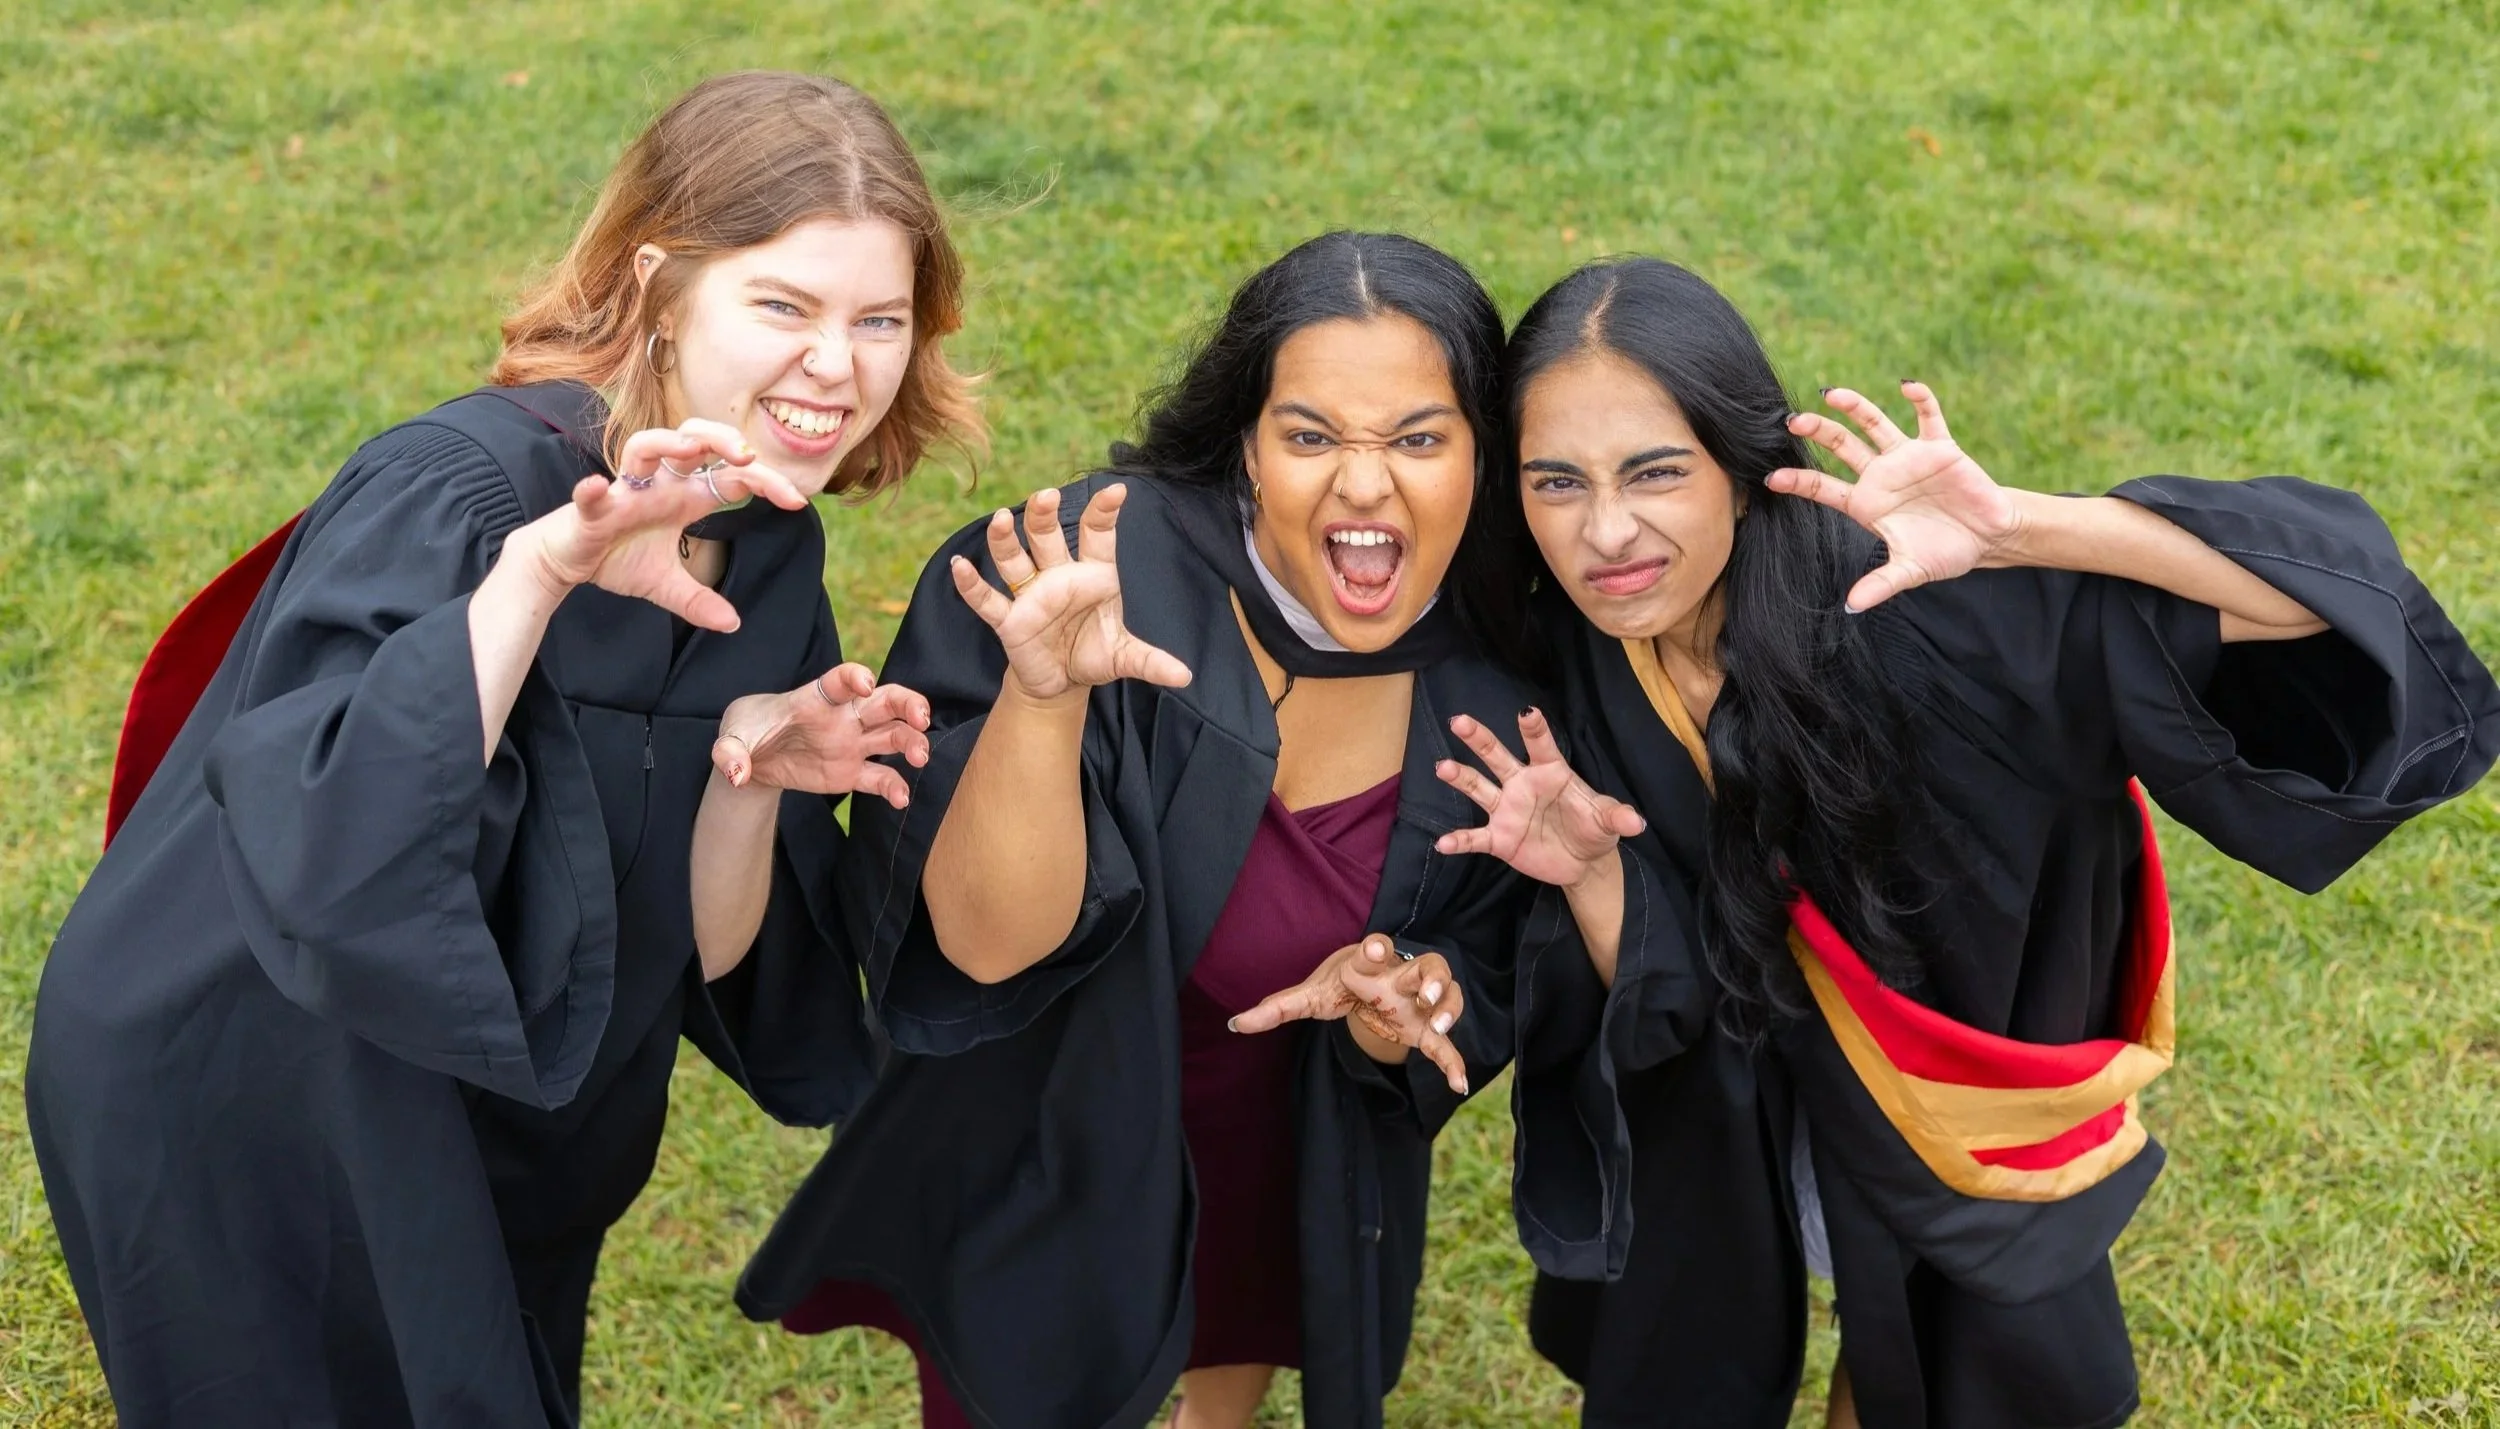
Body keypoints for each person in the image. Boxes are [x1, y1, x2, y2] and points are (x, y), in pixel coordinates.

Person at [26, 70, 980, 1427]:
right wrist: (535, 579)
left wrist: (748, 784)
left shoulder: (766, 549)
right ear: (660, 287)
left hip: (491, 1112)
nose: (839, 366)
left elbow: (704, 959)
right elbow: (335, 848)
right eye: (786, 305)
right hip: (255, 1077)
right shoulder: (459, 490)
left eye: (879, 319)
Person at [1432, 257, 2500, 1428]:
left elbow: (2319, 605)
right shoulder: (1564, 647)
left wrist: (2020, 533)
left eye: (1656, 472)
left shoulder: (1921, 603)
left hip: (1946, 1079)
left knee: (1940, 1369)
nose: (1607, 531)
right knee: (1694, 1336)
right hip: (1729, 1097)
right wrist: (1592, 876)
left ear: (1741, 472)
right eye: (1555, 482)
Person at [732, 231, 1537, 1429]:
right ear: (1246, 446)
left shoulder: (1502, 673)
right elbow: (986, 943)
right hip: (1047, 1141)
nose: (1365, 487)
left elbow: (1492, 947)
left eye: (1418, 438)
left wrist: (1411, 998)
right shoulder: (1075, 579)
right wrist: (1044, 701)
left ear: (1485, 452)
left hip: (1283, 1147)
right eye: (1310, 435)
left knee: (1243, 1322)